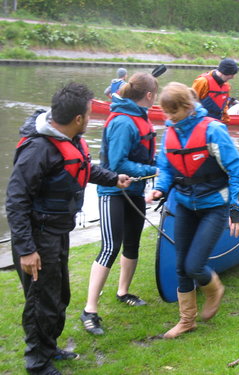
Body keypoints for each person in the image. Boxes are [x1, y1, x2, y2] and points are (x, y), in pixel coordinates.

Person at [6, 82, 131, 375]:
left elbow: (81, 169)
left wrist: (114, 179)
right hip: (38, 237)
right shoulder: (38, 148)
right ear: (78, 119)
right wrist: (26, 250)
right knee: (42, 301)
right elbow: (16, 200)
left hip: (58, 232)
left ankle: (48, 349)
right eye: (89, 114)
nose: (91, 118)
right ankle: (37, 363)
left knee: (58, 296)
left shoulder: (68, 138)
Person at [146, 82, 239, 339]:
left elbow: (237, 171)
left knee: (194, 265)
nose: (169, 117)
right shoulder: (170, 133)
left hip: (214, 206)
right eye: (165, 112)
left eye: (173, 112)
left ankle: (214, 289)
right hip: (184, 204)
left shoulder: (213, 131)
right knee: (181, 266)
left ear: (188, 106)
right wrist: (160, 188)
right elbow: (166, 168)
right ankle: (186, 321)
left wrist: (236, 210)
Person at [81, 72, 159, 335]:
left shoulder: (139, 117)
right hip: (112, 191)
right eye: (155, 94)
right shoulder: (124, 122)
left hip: (134, 190)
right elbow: (115, 165)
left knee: (133, 244)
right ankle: (89, 310)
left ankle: (123, 291)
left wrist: (153, 165)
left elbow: (140, 154)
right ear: (149, 95)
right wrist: (152, 169)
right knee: (110, 247)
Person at [192, 58, 238, 124]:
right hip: (200, 122)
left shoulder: (226, 86)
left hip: (216, 123)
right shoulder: (202, 82)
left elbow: (224, 106)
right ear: (224, 72)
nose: (233, 77)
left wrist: (226, 121)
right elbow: (191, 102)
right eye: (232, 74)